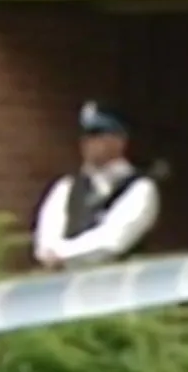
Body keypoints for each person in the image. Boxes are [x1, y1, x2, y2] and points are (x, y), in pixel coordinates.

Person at [32, 101, 161, 270]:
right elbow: (45, 241)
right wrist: (51, 253)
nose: (88, 142)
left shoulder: (140, 188)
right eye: (85, 135)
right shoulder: (66, 187)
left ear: (120, 140)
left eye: (97, 134)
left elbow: (113, 241)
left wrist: (61, 254)